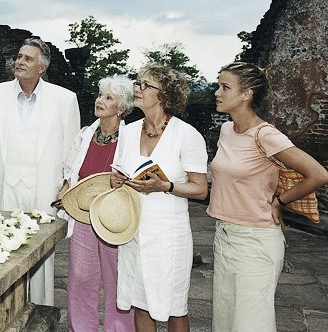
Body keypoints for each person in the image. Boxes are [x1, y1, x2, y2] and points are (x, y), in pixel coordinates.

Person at [208, 61, 328, 332]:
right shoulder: (227, 131)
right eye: (218, 86)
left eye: (225, 87)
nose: (217, 92)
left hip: (256, 242)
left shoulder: (266, 135)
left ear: (247, 94)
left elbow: (318, 174)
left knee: (251, 325)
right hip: (224, 236)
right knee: (224, 322)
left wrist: (280, 201)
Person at [0, 37, 80, 305]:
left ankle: (40, 310)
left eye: (28, 58)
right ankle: (8, 310)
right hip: (8, 185)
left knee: (42, 255)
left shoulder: (65, 99)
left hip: (45, 188)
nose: (20, 62)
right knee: (6, 251)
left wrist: (65, 184)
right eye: (19, 56)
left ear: (42, 67)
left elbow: (72, 148)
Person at [111, 63, 208, 332]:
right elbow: (117, 173)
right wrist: (117, 179)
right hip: (134, 230)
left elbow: (200, 189)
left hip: (168, 235)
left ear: (164, 96)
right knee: (140, 303)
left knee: (175, 307)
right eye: (137, 83)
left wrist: (165, 186)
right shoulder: (128, 132)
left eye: (146, 85)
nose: (137, 89)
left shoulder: (186, 135)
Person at [55, 75, 135, 332]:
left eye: (108, 98)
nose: (100, 101)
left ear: (121, 108)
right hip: (83, 215)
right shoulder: (84, 135)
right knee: (80, 279)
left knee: (118, 279)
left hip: (116, 218)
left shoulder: (132, 138)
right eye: (101, 95)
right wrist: (65, 190)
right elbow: (71, 169)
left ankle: (119, 329)